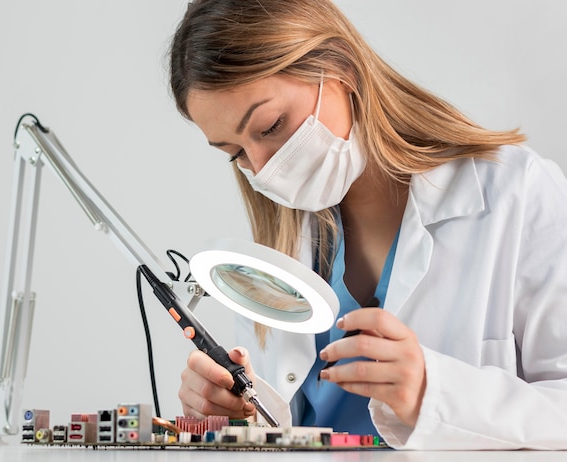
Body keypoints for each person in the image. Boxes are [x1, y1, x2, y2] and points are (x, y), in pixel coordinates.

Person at [168, 0, 567, 450]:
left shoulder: (516, 194)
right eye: (235, 153)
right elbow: (288, 431)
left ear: (342, 67)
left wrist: (433, 394)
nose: (262, 170)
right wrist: (238, 419)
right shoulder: (280, 248)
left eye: (271, 125)